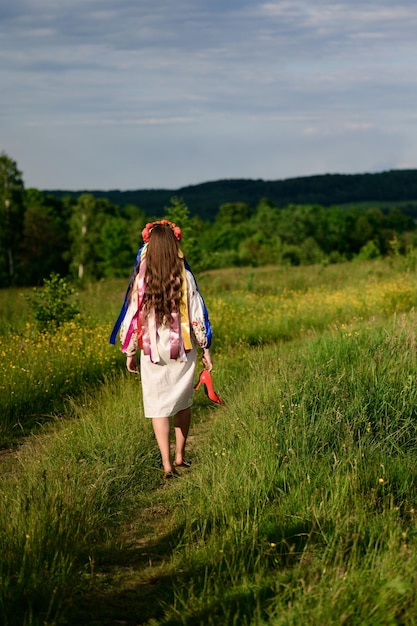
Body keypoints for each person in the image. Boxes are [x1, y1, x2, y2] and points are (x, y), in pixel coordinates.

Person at [110, 220, 213, 479]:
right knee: (182, 402)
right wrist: (206, 348)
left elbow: (132, 317)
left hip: (152, 350)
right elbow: (198, 316)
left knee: (158, 404)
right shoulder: (185, 276)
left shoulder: (142, 278)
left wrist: (130, 352)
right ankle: (180, 456)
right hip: (182, 348)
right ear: (174, 244)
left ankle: (166, 464)